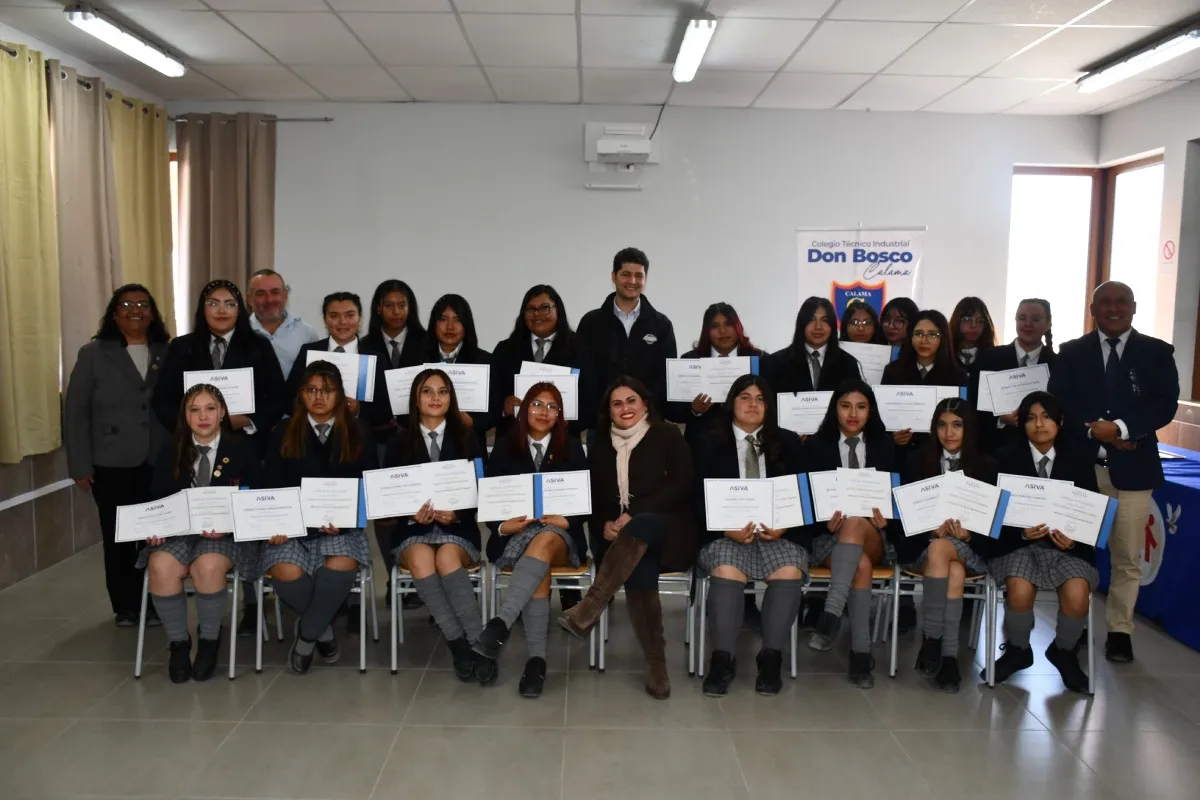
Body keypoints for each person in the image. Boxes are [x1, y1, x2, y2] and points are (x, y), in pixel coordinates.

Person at [1048, 281, 1179, 664]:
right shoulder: (1072, 352)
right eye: (1105, 302)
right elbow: (1061, 401)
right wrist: (1095, 430)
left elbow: (1163, 405)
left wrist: (1121, 428)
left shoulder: (1156, 352)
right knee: (1078, 553)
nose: (1114, 308)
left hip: (1134, 469)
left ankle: (1120, 632)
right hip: (1084, 468)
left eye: (1121, 302)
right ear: (1093, 309)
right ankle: (1076, 620)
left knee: (1126, 556)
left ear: (1134, 307)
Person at [558, 376, 696, 699]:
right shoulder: (601, 445)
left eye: (631, 400)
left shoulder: (667, 435)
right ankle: (656, 663)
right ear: (609, 410)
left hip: (671, 532)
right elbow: (592, 499)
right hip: (626, 544)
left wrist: (634, 515)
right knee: (638, 562)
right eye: (617, 403)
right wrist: (603, 524)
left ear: (645, 403)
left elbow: (681, 484)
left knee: (643, 525)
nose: (625, 408)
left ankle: (590, 606)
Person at [260, 361, 378, 675]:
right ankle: (322, 630)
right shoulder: (283, 432)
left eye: (327, 390)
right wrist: (277, 523)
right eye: (311, 390)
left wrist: (348, 519)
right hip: (293, 529)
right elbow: (270, 484)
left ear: (340, 395)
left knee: (341, 563)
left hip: (341, 528)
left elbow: (369, 487)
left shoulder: (358, 432)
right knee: (284, 570)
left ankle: (306, 637)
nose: (319, 397)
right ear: (301, 394)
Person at [692, 375, 807, 697]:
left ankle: (770, 658)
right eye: (745, 397)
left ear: (768, 406)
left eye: (760, 398)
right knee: (727, 568)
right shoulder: (706, 440)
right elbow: (694, 495)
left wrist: (784, 525)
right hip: (724, 534)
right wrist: (722, 527)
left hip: (777, 535)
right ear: (732, 403)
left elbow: (800, 494)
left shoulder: (788, 442)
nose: (753, 404)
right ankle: (722, 660)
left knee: (789, 569)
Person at [473, 383, 590, 698]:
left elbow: (584, 501)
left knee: (548, 538)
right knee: (539, 563)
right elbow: (491, 503)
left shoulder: (573, 447)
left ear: (560, 415)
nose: (544, 412)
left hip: (562, 538)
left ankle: (502, 621)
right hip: (517, 538)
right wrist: (501, 526)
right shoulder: (505, 445)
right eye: (537, 404)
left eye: (552, 407)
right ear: (524, 410)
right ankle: (536, 662)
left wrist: (570, 520)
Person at [65, 284, 171, 627]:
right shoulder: (93, 353)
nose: (135, 309)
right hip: (111, 461)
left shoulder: (167, 351)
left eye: (142, 304)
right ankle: (125, 605)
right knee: (119, 536)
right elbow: (75, 413)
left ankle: (157, 601)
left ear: (153, 313)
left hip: (158, 459)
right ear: (115, 314)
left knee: (157, 536)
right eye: (126, 304)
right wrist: (79, 464)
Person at [142, 384, 259, 683]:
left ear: (222, 413)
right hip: (180, 534)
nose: (203, 416)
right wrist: (153, 530)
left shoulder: (243, 449)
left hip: (227, 536)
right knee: (160, 564)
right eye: (195, 409)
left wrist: (229, 527)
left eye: (210, 408)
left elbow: (255, 503)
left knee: (206, 565)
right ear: (185, 415)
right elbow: (157, 501)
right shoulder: (171, 450)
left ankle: (209, 642)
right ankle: (179, 644)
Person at [986, 392, 1100, 693]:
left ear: (1060, 423)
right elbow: (993, 520)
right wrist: (1022, 534)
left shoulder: (1079, 460)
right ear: (1021, 424)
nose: (1039, 424)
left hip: (1066, 549)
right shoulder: (1003, 459)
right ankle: (1018, 651)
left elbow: (1092, 516)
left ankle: (1063, 652)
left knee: (1077, 594)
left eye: (1047, 417)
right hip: (1018, 545)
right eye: (1031, 418)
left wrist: (1073, 541)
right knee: (1019, 589)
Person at [383, 369, 490, 684]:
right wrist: (410, 514)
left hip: (457, 529)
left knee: (445, 557)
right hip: (411, 530)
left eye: (442, 392)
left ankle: (479, 643)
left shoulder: (468, 438)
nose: (435, 398)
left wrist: (455, 514)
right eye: (427, 391)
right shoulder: (398, 442)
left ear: (451, 398)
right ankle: (457, 642)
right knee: (420, 557)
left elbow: (481, 491)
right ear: (416, 398)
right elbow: (388, 497)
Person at [897, 397, 996, 693]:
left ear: (970, 429)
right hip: (922, 549)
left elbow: (995, 527)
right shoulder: (915, 462)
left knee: (946, 551)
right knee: (948, 564)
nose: (949, 433)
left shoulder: (988, 466)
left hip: (973, 549)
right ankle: (949, 657)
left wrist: (968, 536)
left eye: (957, 425)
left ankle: (932, 639)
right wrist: (929, 532)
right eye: (941, 425)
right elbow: (902, 521)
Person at [802, 380, 897, 689]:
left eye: (861, 406)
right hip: (830, 537)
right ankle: (861, 654)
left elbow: (902, 500)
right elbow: (806, 503)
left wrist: (888, 521)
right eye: (845, 406)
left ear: (871, 411)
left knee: (857, 523)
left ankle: (830, 613)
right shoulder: (816, 447)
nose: (853, 413)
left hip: (875, 536)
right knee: (861, 566)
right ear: (835, 410)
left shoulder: (887, 446)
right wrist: (822, 522)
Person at [154, 280, 286, 455]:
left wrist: (248, 421)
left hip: (246, 446)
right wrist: (188, 424)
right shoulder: (182, 346)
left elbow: (278, 398)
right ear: (202, 309)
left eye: (230, 304)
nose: (221, 310)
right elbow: (162, 399)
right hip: (191, 447)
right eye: (213, 303)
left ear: (239, 310)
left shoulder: (259, 345)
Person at [362, 279, 427, 612]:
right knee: (386, 513)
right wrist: (378, 421)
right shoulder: (364, 346)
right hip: (379, 441)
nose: (396, 312)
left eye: (402, 305)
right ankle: (393, 579)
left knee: (418, 508)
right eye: (389, 305)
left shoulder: (425, 342)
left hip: (418, 440)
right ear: (378, 308)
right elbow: (360, 397)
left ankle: (418, 578)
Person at [576, 247, 678, 419]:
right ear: (613, 277)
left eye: (639, 275)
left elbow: (666, 377)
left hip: (648, 423)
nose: (632, 281)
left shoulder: (661, 325)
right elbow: (583, 374)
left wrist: (649, 410)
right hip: (601, 423)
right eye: (625, 274)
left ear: (645, 279)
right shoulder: (591, 323)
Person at [490, 284, 586, 442]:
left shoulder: (579, 348)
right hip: (513, 444)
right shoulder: (505, 350)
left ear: (558, 310)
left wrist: (570, 421)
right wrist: (502, 407)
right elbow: (491, 397)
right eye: (530, 309)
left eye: (545, 308)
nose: (537, 314)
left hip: (562, 443)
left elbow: (591, 400)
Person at [666, 302, 765, 443]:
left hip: (750, 441)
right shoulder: (690, 360)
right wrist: (694, 409)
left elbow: (771, 405)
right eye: (714, 326)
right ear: (706, 331)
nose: (723, 331)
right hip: (703, 444)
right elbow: (674, 411)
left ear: (738, 327)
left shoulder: (760, 360)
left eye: (728, 324)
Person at [969, 298, 1057, 451]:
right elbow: (972, 406)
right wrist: (1000, 419)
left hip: (1043, 451)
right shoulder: (988, 359)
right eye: (1022, 318)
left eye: (1036, 319)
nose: (1028, 324)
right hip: (994, 451)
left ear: (1048, 323)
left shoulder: (1059, 365)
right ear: (1015, 320)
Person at [881, 309, 968, 453]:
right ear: (910, 336)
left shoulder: (957, 376)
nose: (924, 340)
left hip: (940, 455)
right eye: (919, 334)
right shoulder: (893, 371)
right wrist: (892, 437)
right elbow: (881, 416)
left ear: (943, 338)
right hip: (901, 454)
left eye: (932, 335)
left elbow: (963, 420)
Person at [421, 294, 493, 454]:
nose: (450, 327)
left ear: (466, 324)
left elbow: (494, 411)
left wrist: (472, 422)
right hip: (423, 447)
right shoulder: (418, 360)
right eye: (443, 319)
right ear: (434, 323)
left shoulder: (485, 361)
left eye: (457, 320)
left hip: (468, 446)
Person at [762, 297, 861, 395]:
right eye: (811, 320)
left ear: (832, 326)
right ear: (801, 324)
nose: (818, 326)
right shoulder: (775, 364)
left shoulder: (849, 365)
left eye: (824, 320)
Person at [247, 268, 320, 378]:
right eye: (261, 293)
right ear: (249, 299)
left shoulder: (307, 333)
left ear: (285, 294)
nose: (269, 299)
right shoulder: (239, 332)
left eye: (275, 292)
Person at [949, 297, 997, 369]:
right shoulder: (945, 357)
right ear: (957, 321)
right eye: (967, 319)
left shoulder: (995, 358)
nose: (973, 325)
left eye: (980, 321)